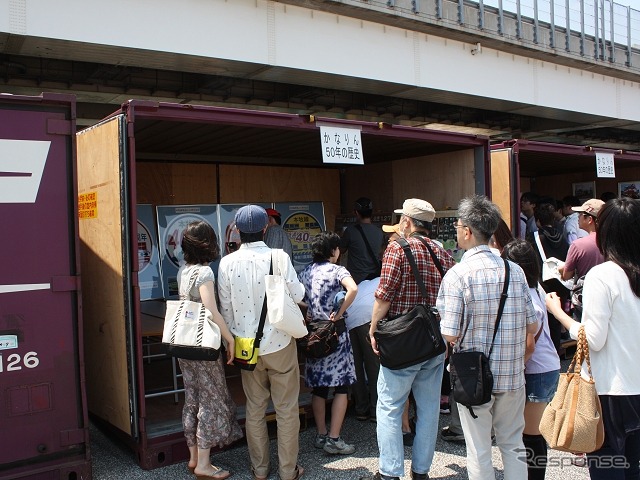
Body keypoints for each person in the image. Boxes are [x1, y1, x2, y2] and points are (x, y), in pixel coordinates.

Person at [437, 195, 538, 480]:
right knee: (513, 443)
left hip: (474, 377)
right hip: (512, 374)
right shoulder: (514, 271)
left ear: (467, 231)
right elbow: (532, 326)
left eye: (457, 226)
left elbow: (451, 333)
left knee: (479, 448)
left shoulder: (457, 275)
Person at [546, 197, 640, 480]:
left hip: (612, 391)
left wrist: (559, 314)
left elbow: (593, 339)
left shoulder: (603, 275)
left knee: (608, 467)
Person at [364, 198, 455, 480]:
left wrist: (374, 327)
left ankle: (390, 472)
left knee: (390, 406)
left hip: (403, 342)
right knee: (428, 408)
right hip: (434, 341)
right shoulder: (444, 255)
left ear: (406, 222)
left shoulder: (397, 248)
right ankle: (421, 472)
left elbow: (384, 293)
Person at [217, 205, 306, 480]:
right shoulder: (278, 257)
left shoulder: (226, 262)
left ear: (237, 231)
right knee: (287, 410)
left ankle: (260, 470)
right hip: (279, 342)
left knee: (254, 409)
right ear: (266, 228)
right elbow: (299, 292)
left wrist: (232, 342)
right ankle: (288, 471)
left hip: (245, 345)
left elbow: (226, 310)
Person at [177, 221, 242, 480]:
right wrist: (230, 339)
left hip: (185, 343)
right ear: (209, 243)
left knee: (192, 397)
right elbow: (212, 311)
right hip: (204, 344)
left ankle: (193, 457)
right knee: (211, 399)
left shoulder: (184, 271)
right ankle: (204, 463)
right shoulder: (204, 273)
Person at [502, 239, 560, 480]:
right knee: (529, 435)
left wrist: (511, 369)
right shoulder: (535, 287)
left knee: (532, 436)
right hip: (544, 368)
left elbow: (529, 345)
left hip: (538, 371)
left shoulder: (528, 296)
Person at [298, 232, 358, 455]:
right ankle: (334, 438)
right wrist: (339, 312)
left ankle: (321, 435)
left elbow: (296, 297)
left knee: (320, 388)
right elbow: (353, 289)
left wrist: (309, 312)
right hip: (335, 335)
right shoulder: (337, 270)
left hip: (315, 335)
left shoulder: (305, 272)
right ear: (333, 251)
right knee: (342, 386)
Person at [345, 274, 380, 424]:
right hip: (367, 319)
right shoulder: (384, 280)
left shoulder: (365, 282)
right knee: (373, 366)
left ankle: (361, 409)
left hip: (349, 319)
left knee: (356, 367)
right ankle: (375, 410)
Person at [339, 197, 385, 284]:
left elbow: (341, 250)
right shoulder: (379, 232)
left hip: (356, 280)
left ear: (356, 213)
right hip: (374, 279)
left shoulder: (350, 231)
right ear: (371, 212)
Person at [560, 198, 605, 282]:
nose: (578, 216)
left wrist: (561, 269)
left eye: (580, 214)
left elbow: (566, 276)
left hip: (587, 291)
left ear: (589, 219)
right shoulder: (613, 241)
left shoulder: (578, 245)